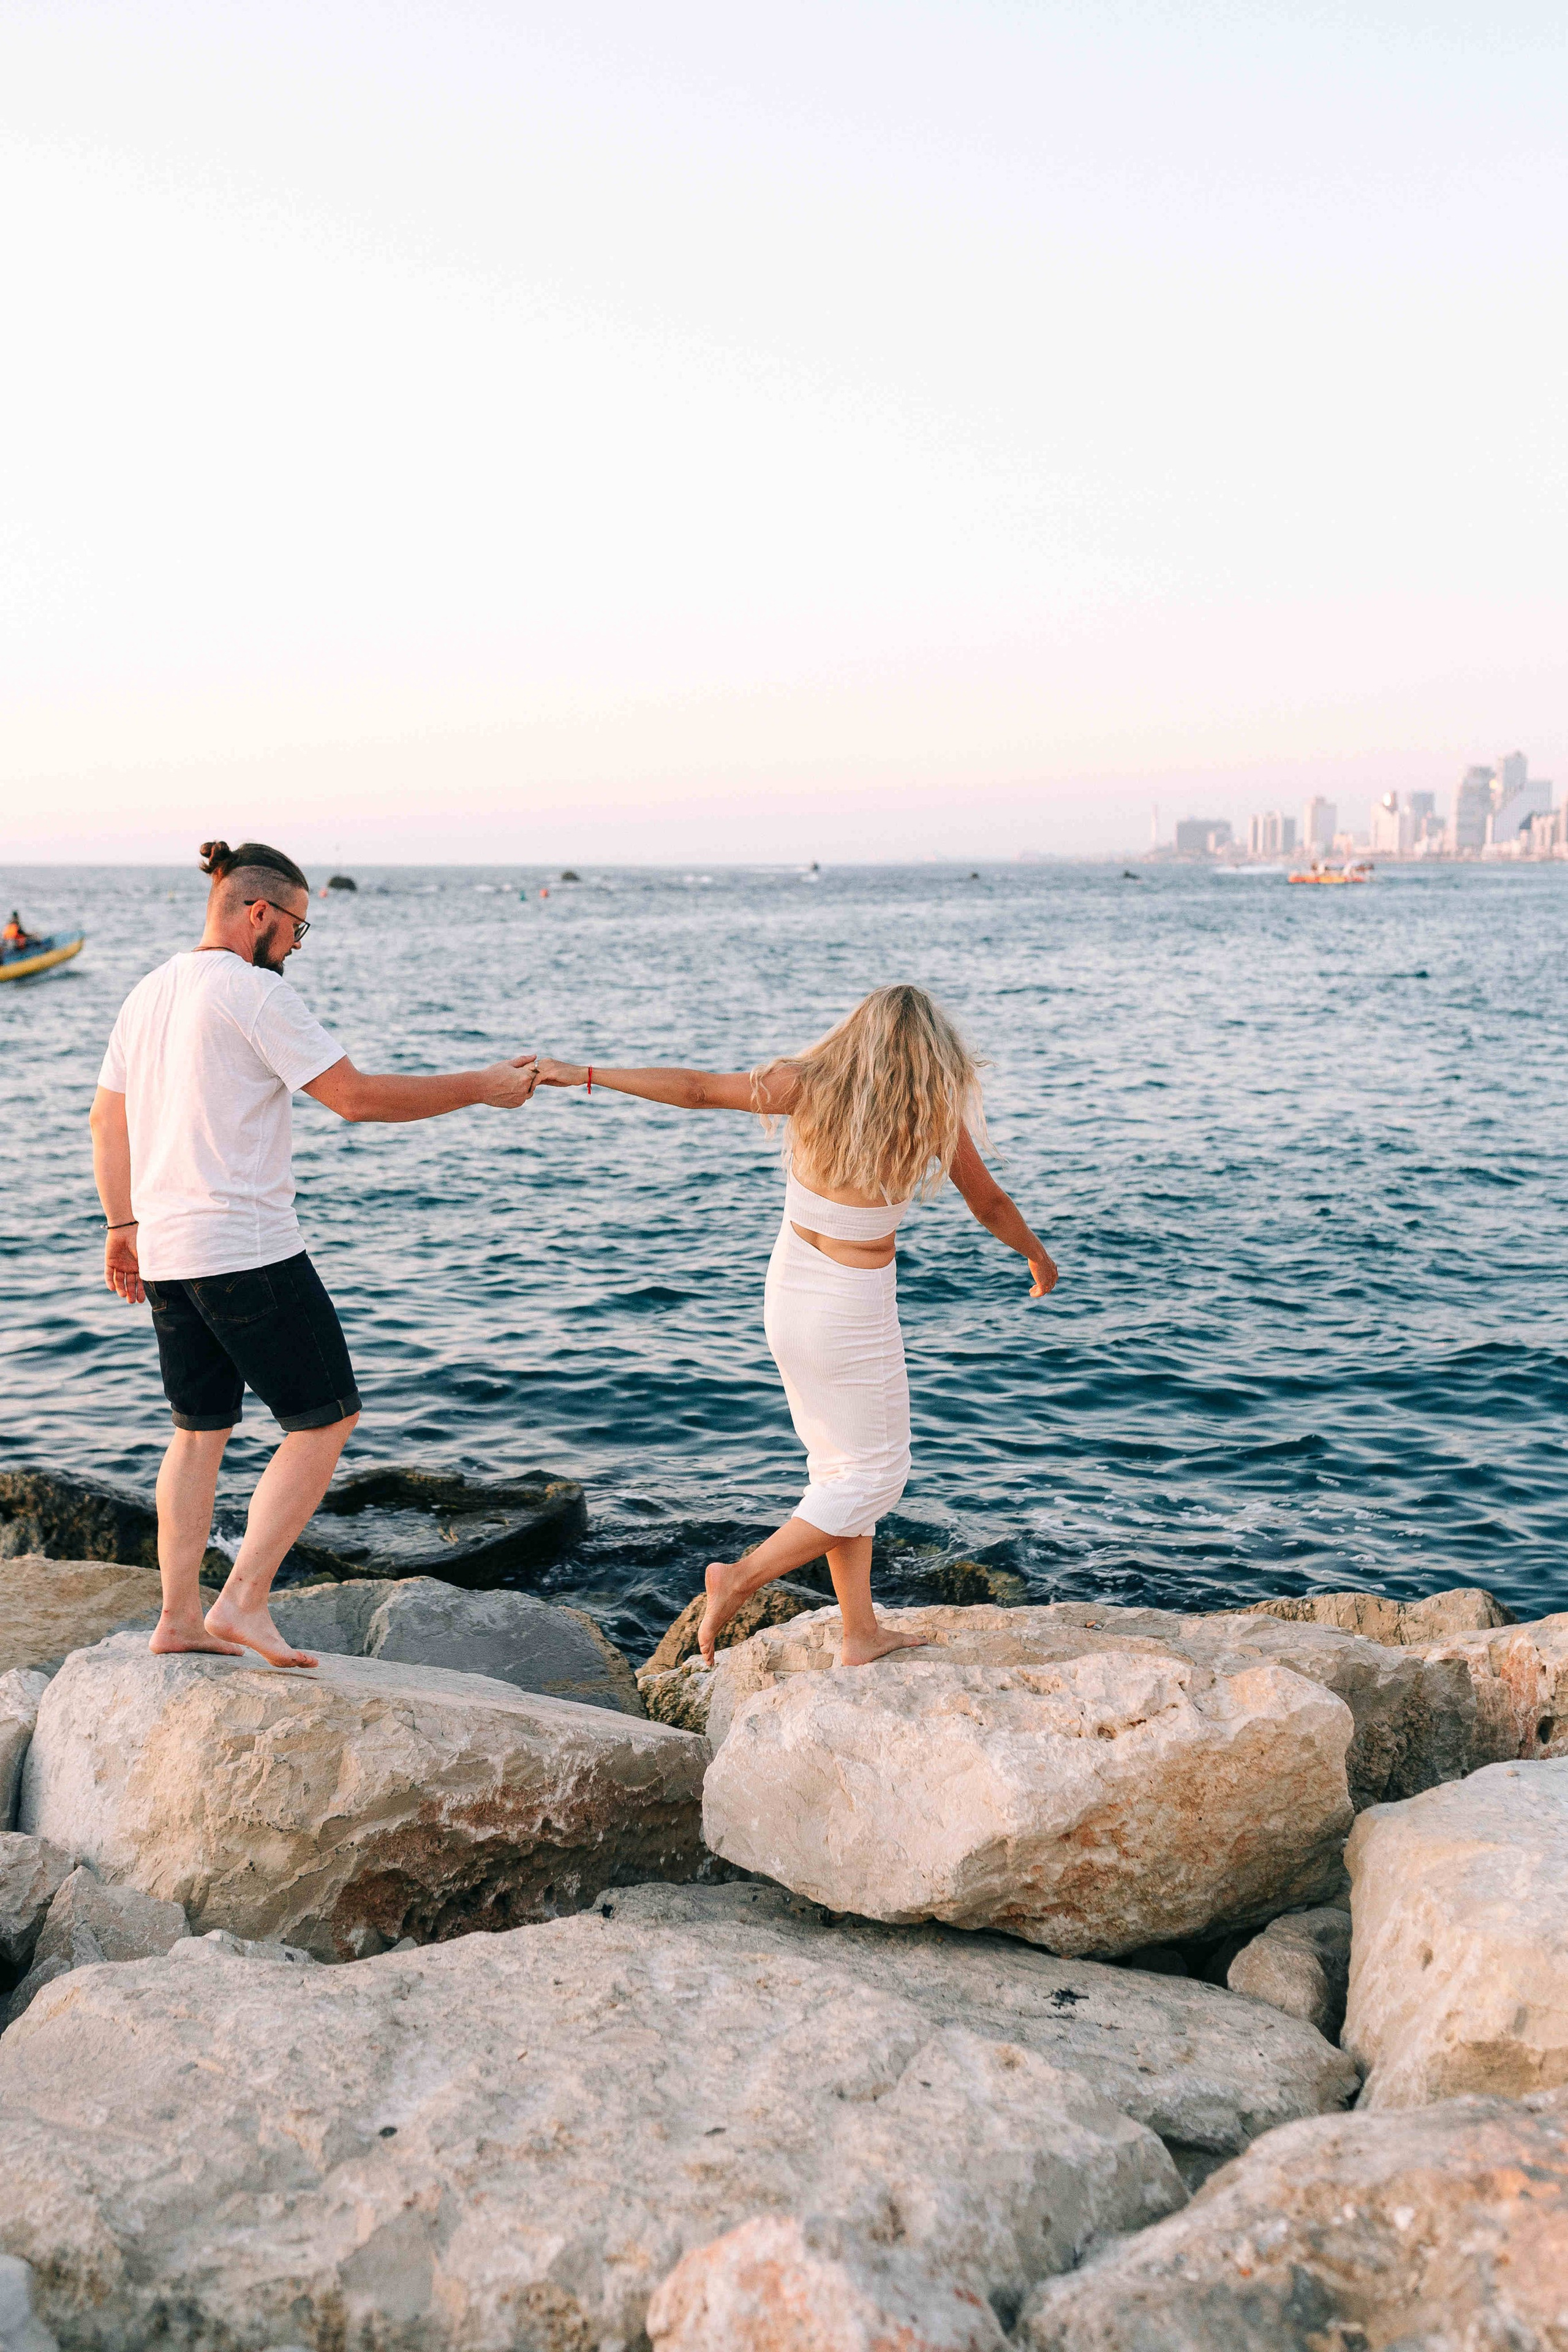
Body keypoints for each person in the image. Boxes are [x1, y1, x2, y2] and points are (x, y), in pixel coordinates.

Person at [90, 839, 538, 1671]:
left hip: (169, 1252)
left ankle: (179, 1617)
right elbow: (357, 1099)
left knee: (197, 1433)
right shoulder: (251, 993)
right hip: (245, 1250)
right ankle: (245, 1601)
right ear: (257, 912)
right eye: (297, 926)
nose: (297, 944)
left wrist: (122, 1228)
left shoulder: (149, 991)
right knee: (325, 1419)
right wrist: (482, 1085)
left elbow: (105, 1122)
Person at [535, 984, 1056, 1667]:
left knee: (841, 1470)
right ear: (934, 1052)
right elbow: (986, 1202)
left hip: (789, 1293)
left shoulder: (806, 1086)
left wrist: (587, 1074)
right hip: (849, 1309)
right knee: (878, 1474)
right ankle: (741, 1577)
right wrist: (1037, 1257)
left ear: (854, 1034)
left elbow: (693, 1089)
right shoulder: (929, 1113)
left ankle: (859, 1632)